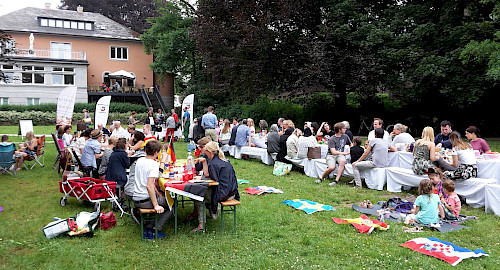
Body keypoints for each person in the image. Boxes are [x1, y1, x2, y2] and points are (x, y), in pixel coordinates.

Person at [192, 141, 240, 232]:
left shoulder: (214, 164)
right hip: (232, 192)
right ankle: (211, 208)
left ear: (209, 152)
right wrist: (204, 161)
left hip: (224, 194)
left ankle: (201, 225)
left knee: (197, 195)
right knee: (203, 192)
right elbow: (207, 175)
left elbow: (213, 182)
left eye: (205, 150)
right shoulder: (222, 160)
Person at [131, 140, 172, 239]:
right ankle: (155, 230)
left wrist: (158, 193)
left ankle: (148, 227)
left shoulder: (140, 160)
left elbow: (149, 181)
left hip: (135, 197)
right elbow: (149, 185)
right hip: (144, 199)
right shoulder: (153, 164)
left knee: (163, 199)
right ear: (156, 153)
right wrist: (156, 205)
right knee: (172, 204)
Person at [316, 122, 352, 186]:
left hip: (340, 155)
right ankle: (321, 178)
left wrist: (350, 149)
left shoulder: (345, 136)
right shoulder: (332, 139)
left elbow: (351, 144)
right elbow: (333, 152)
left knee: (342, 161)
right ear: (339, 130)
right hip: (331, 155)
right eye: (344, 128)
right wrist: (345, 153)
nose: (345, 129)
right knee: (332, 167)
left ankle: (336, 180)